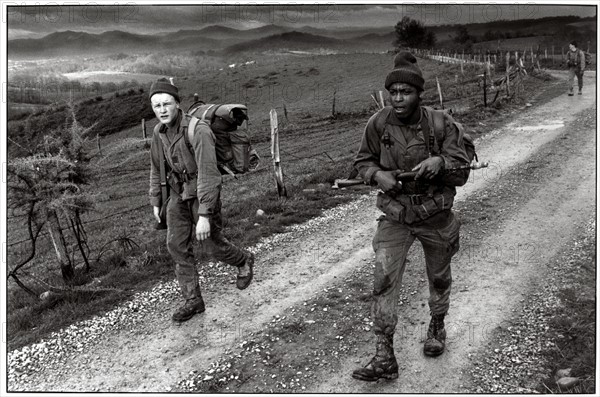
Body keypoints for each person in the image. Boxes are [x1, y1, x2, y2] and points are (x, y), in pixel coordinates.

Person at [352, 52, 470, 381]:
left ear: (420, 94)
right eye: (394, 92)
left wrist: (441, 164)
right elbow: (361, 162)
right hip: (396, 215)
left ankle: (436, 327)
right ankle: (384, 355)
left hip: (435, 214)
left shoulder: (440, 124)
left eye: (406, 92)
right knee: (383, 281)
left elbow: (462, 172)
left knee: (440, 277)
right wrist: (377, 175)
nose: (399, 98)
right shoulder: (378, 124)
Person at [148, 78, 254, 323]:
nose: (162, 110)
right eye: (156, 106)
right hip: (177, 194)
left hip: (202, 191)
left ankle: (243, 259)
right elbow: (156, 167)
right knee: (176, 245)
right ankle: (193, 300)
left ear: (177, 103)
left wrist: (204, 215)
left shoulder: (199, 130)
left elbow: (209, 173)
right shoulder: (158, 132)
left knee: (210, 244)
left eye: (166, 104)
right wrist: (156, 200)